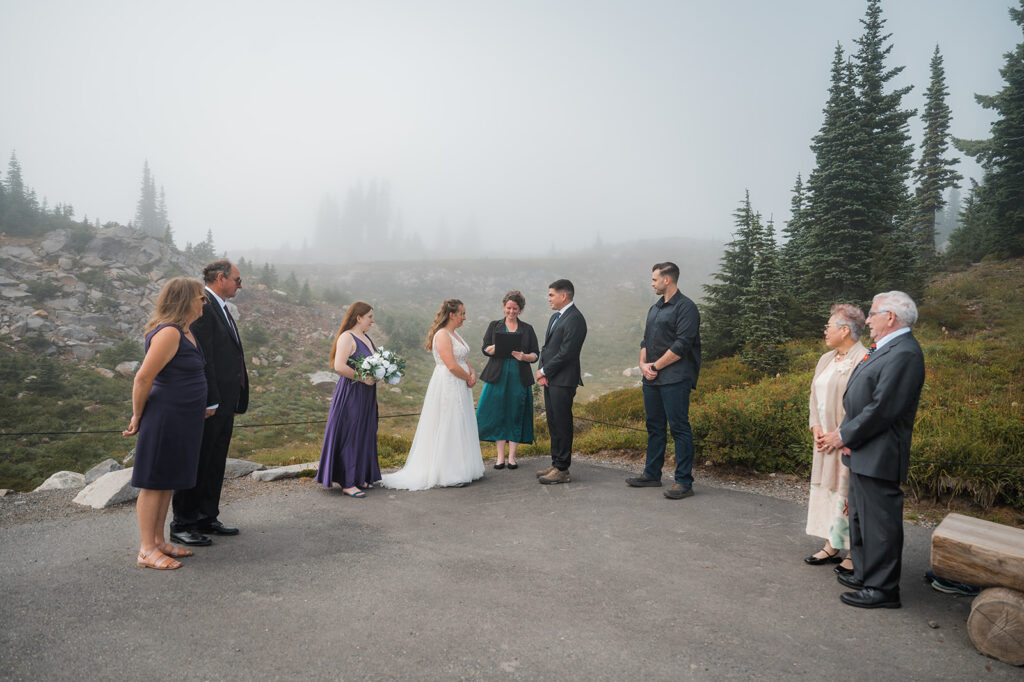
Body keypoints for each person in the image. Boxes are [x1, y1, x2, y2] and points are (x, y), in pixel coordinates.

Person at [821, 291, 926, 609]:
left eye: (873, 313)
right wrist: (848, 434)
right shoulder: (889, 347)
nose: (867, 319)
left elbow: (883, 408)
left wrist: (845, 435)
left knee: (880, 521)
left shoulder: (904, 352)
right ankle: (865, 573)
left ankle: (883, 589)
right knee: (861, 516)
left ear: (891, 317)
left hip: (881, 450)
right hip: (864, 445)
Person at [123, 278, 208, 570]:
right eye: (201, 298)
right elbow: (143, 378)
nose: (204, 303)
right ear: (186, 300)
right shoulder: (170, 333)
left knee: (166, 481)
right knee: (154, 482)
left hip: (183, 418)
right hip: (165, 417)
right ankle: (146, 549)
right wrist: (137, 416)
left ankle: (158, 542)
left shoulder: (185, 332)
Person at [170, 260, 249, 547]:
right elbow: (206, 360)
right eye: (238, 280)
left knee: (215, 461)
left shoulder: (221, 308)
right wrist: (211, 399)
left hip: (225, 402)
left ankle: (206, 516)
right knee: (199, 461)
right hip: (210, 403)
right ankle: (183, 522)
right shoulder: (202, 307)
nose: (240, 285)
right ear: (221, 278)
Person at [381, 299, 485, 490]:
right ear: (452, 314)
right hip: (449, 382)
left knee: (461, 421)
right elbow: (451, 364)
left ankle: (463, 467)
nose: (464, 317)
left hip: (460, 382)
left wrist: (471, 372)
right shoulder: (442, 335)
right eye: (461, 313)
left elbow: (463, 358)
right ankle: (449, 471)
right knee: (449, 421)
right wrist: (467, 378)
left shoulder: (455, 333)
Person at [626, 263, 701, 499]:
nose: (652, 283)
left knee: (679, 427)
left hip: (675, 378)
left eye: (654, 279)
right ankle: (651, 474)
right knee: (654, 426)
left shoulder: (686, 307)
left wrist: (655, 366)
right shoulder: (655, 308)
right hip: (652, 378)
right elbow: (645, 341)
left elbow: (682, 344)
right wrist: (642, 365)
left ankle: (684, 481)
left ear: (667, 280)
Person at [804, 304, 867, 574]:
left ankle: (854, 550)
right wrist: (816, 426)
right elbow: (814, 396)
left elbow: (864, 405)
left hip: (846, 440)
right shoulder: (826, 359)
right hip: (823, 440)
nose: (825, 332)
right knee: (827, 490)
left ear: (844, 330)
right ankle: (832, 544)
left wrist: (839, 435)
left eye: (829, 327)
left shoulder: (863, 358)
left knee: (847, 493)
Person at [314, 301, 381, 497]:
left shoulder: (366, 337)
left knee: (365, 430)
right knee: (350, 432)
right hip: (352, 392)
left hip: (367, 393)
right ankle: (348, 482)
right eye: (369, 316)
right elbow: (339, 366)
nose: (372, 320)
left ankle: (361, 476)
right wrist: (363, 378)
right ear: (358, 317)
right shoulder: (347, 337)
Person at [476, 290, 540, 470]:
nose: (511, 312)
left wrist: (525, 357)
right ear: (503, 307)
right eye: (508, 308)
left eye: (515, 309)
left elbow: (536, 354)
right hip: (497, 375)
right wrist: (494, 348)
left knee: (515, 413)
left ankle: (512, 458)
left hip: (519, 376)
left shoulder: (527, 329)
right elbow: (484, 349)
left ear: (520, 310)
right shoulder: (494, 325)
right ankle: (500, 458)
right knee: (498, 413)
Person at [535, 279, 587, 485]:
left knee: (563, 423)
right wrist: (543, 372)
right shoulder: (555, 317)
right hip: (552, 378)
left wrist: (545, 370)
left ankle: (563, 469)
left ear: (563, 296)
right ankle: (556, 463)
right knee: (553, 422)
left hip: (564, 380)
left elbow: (568, 352)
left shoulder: (575, 318)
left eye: (551, 295)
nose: (548, 299)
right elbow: (547, 348)